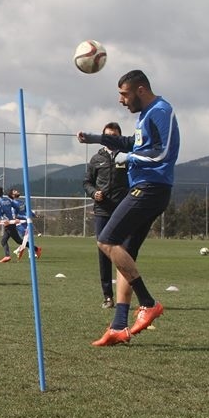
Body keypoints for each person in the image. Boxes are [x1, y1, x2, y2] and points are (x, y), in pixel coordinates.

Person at [78, 69, 179, 346]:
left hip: (150, 187)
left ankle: (148, 302)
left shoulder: (161, 110)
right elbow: (133, 142)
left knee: (106, 240)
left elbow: (163, 152)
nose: (122, 100)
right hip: (148, 187)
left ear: (141, 90)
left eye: (124, 94)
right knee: (125, 252)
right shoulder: (144, 116)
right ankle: (119, 326)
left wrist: (129, 157)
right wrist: (98, 138)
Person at [83, 122, 130, 308]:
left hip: (123, 211)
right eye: (108, 135)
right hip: (102, 211)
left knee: (124, 252)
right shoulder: (96, 159)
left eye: (114, 135)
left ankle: (123, 296)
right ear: (103, 137)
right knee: (103, 251)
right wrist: (94, 193)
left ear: (119, 137)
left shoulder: (126, 157)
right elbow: (86, 182)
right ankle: (107, 296)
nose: (111, 138)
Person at [11, 189, 42, 260]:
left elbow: (28, 210)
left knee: (29, 237)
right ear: (12, 195)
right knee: (27, 238)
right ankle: (26, 251)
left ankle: (28, 253)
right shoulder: (13, 205)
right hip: (19, 224)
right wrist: (25, 217)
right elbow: (15, 216)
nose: (17, 192)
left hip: (26, 222)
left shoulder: (22, 202)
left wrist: (34, 215)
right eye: (15, 191)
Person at [0, 187, 22, 263]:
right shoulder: (7, 199)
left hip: (8, 223)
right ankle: (7, 256)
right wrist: (15, 215)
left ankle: (36, 249)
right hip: (10, 222)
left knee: (18, 241)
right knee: (4, 241)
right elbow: (17, 207)